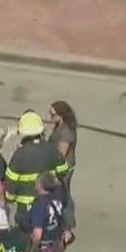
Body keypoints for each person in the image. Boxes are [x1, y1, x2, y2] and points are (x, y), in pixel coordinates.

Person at [4, 111, 69, 230]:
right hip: (49, 202)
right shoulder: (51, 149)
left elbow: (11, 181)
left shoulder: (20, 154)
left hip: (26, 207)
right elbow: (64, 169)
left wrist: (10, 198)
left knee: (26, 236)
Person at [47, 101, 78, 241]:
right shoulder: (60, 126)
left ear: (61, 115)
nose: (50, 117)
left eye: (53, 115)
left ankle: (67, 229)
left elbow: (61, 155)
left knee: (63, 197)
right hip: (59, 167)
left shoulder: (66, 132)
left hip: (63, 169)